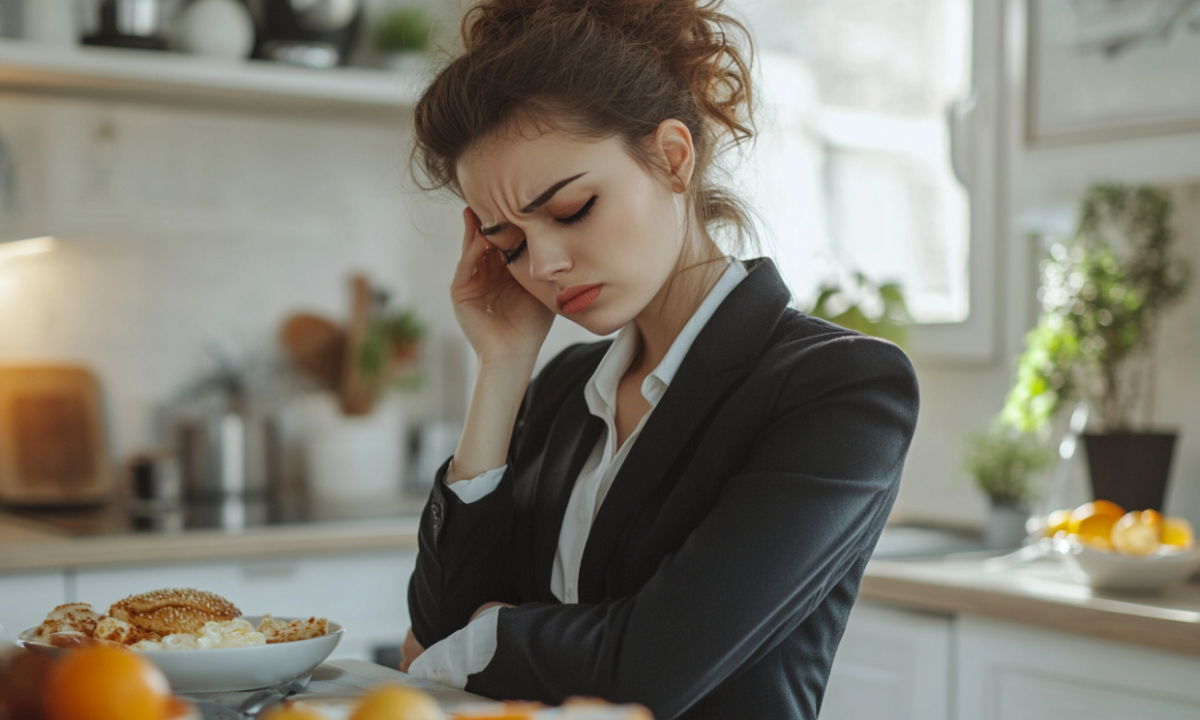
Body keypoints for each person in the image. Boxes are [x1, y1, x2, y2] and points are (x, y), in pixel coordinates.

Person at [399, 1, 920, 718]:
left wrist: (481, 637)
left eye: (573, 208)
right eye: (508, 241)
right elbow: (434, 626)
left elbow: (653, 666)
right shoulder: (560, 389)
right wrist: (503, 366)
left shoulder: (839, 388)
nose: (544, 264)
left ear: (673, 158)